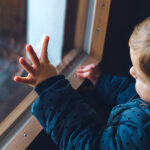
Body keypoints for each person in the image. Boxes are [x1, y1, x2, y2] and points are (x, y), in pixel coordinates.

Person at [14, 17, 150, 150]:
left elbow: (90, 144)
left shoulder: (141, 133)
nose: (131, 71)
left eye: (140, 76)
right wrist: (102, 81)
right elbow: (133, 95)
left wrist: (50, 88)